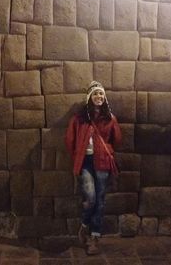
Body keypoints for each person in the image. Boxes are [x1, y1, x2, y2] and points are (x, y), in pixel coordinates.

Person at [65, 81, 122, 255]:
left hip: (102, 161)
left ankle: (94, 238)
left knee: (101, 200)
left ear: (104, 98)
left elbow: (117, 139)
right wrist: (78, 156)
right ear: (89, 97)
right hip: (85, 162)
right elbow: (69, 141)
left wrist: (108, 149)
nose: (99, 97)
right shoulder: (79, 119)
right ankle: (84, 225)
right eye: (96, 94)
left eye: (101, 94)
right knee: (90, 198)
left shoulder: (110, 118)